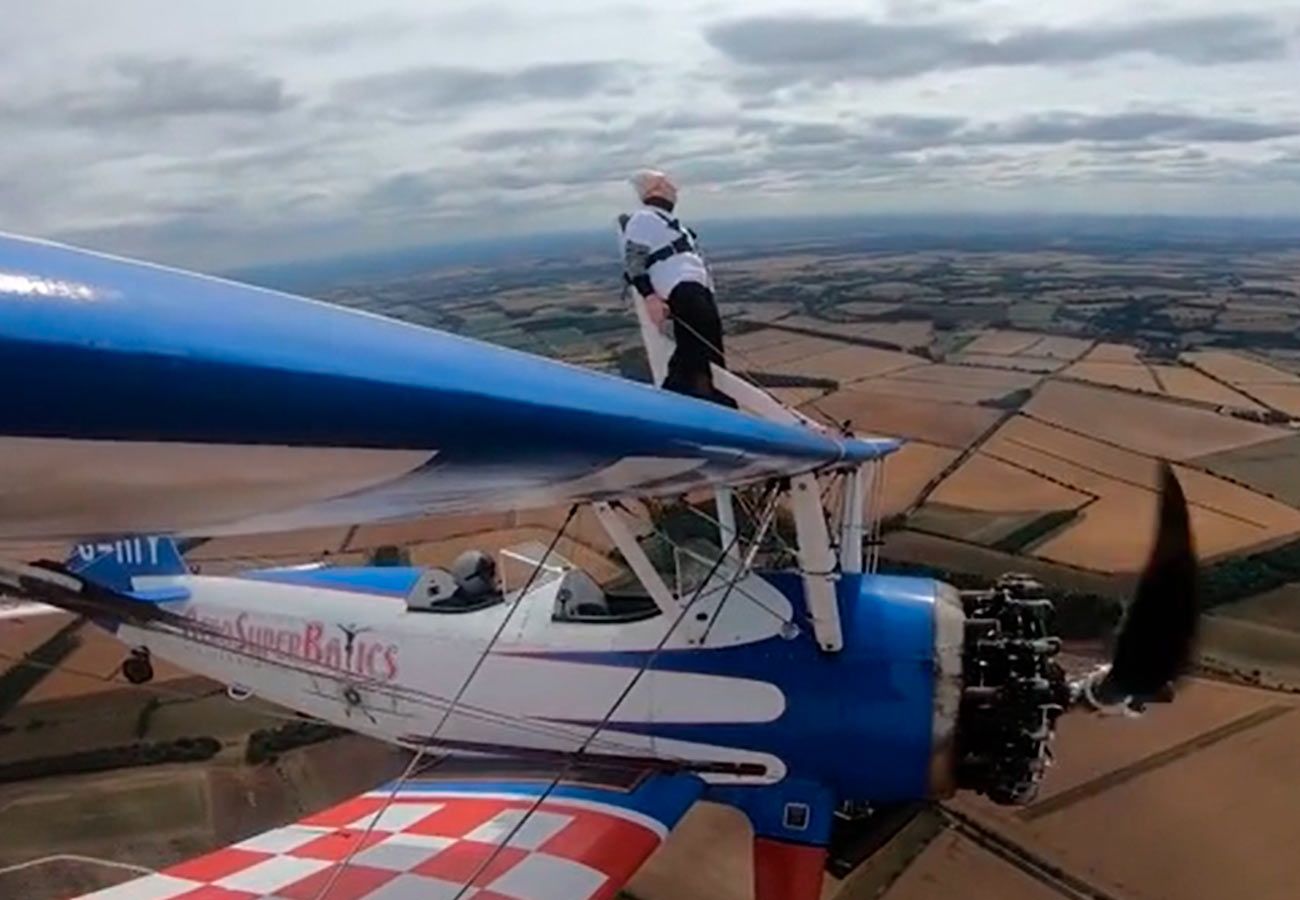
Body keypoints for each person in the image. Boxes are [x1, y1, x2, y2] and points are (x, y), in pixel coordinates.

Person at [619, 169, 734, 406]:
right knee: (699, 346)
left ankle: (694, 393)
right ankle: (696, 396)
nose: (675, 190)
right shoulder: (644, 218)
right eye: (668, 184)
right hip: (680, 287)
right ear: (656, 189)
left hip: (695, 287)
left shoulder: (670, 223)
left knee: (703, 345)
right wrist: (650, 297)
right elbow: (634, 261)